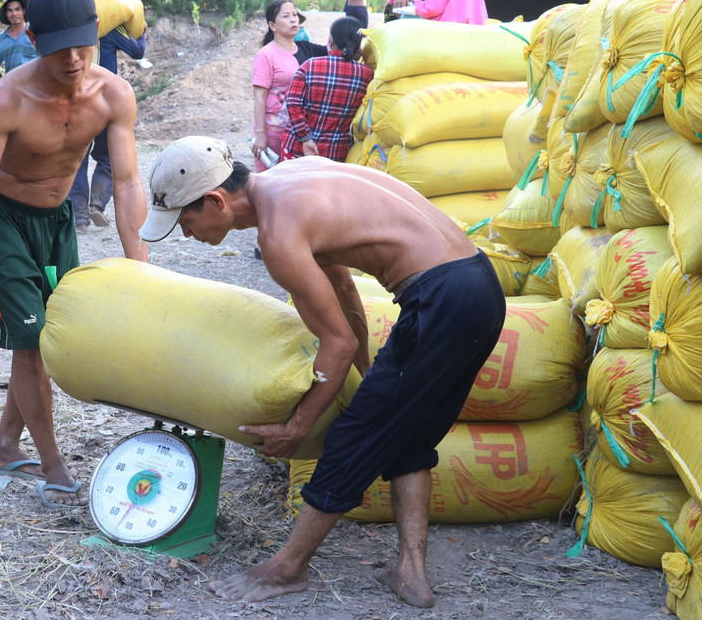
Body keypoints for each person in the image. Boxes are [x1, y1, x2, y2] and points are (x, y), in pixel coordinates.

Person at [138, 137, 505, 608]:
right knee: (408, 437)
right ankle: (411, 572)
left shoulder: (278, 235)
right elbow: (345, 294)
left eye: (184, 222)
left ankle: (286, 569)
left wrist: (298, 426)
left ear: (215, 201)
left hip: (441, 300)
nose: (187, 235)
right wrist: (371, 373)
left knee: (353, 435)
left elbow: (337, 343)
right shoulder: (293, 178)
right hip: (479, 288)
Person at [0, 0, 148, 509]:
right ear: (34, 39)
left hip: (59, 222)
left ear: (97, 32)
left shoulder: (113, 94)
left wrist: (141, 267)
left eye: (83, 45)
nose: (74, 59)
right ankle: (53, 464)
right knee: (32, 341)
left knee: (48, 334)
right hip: (4, 222)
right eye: (60, 49)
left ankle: (3, 448)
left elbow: (127, 180)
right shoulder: (6, 101)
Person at [70, 25, 148, 234]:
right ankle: (97, 203)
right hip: (106, 102)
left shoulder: (73, 35)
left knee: (77, 160)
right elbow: (138, 52)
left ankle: (80, 218)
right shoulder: (111, 31)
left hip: (78, 102)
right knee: (109, 157)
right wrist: (141, 32)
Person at [281, 17, 373, 162]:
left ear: (331, 40)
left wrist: (305, 138)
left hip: (298, 149)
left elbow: (292, 104)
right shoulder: (367, 74)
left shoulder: (309, 65)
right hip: (336, 154)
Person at [251, 0, 327, 173]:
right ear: (272, 25)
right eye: (286, 16)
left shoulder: (304, 50)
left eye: (294, 15)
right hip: (274, 132)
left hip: (299, 131)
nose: (293, 19)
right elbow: (259, 97)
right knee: (272, 182)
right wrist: (261, 134)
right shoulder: (266, 55)